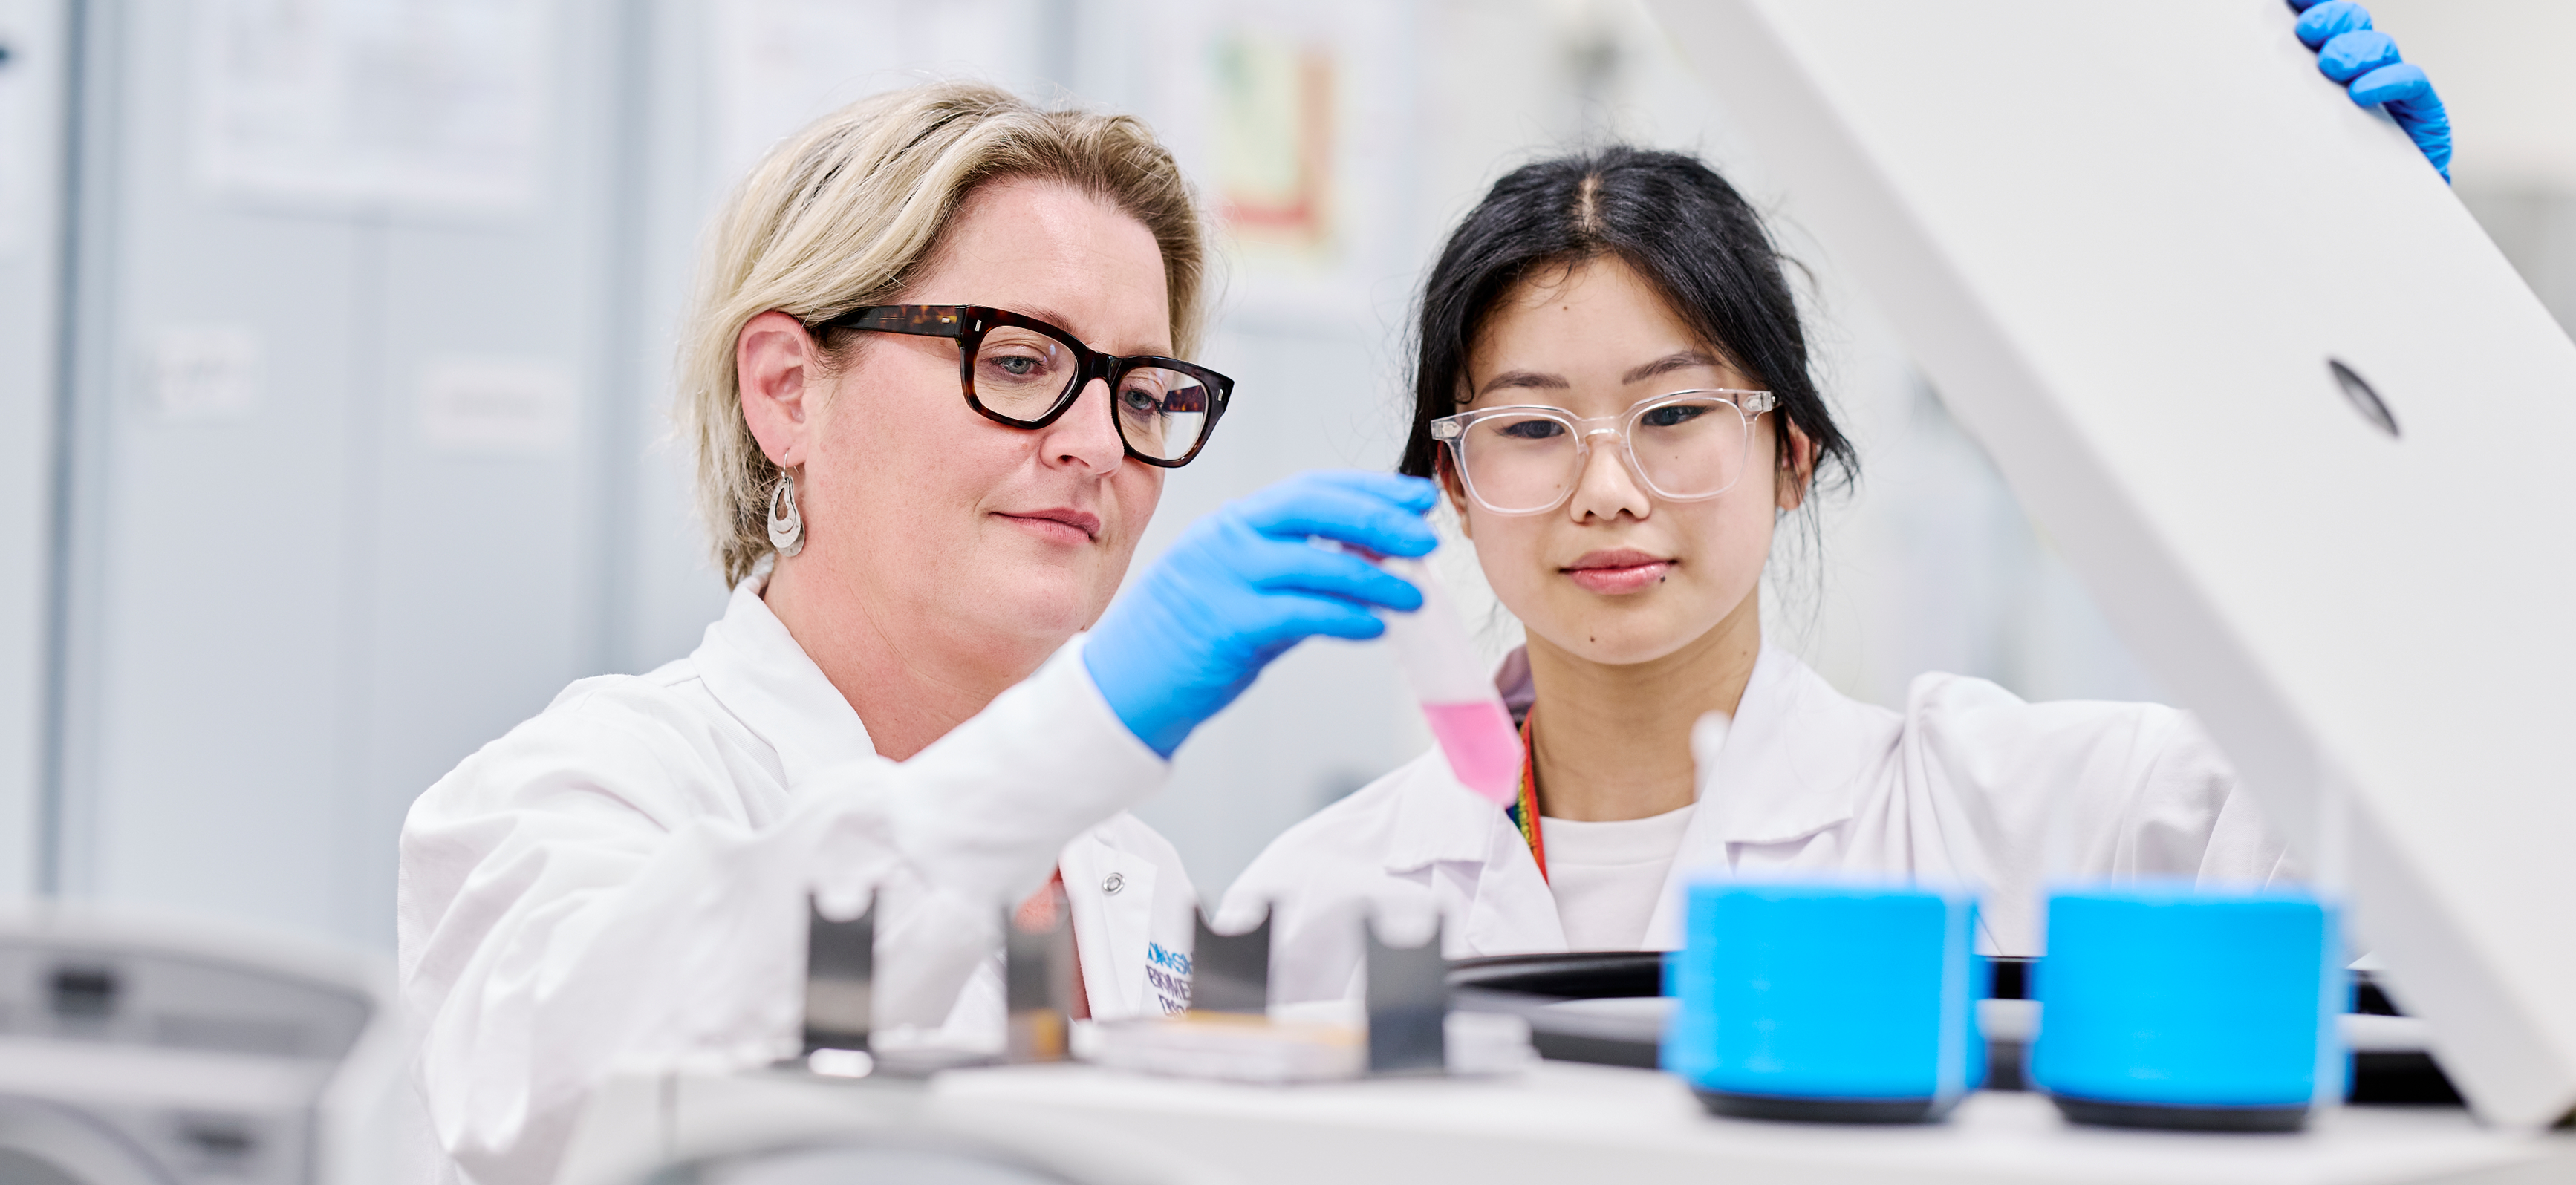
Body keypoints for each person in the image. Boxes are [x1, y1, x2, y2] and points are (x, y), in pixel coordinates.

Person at [1223, 5, 2451, 1003]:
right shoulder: (1319, 899)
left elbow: (2410, 846)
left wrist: (2381, 302)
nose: (1607, 489)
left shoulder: (2013, 807)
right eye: (1533, 429)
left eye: (1675, 415)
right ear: (1453, 481)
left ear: (1793, 454)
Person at [397, 82, 1438, 1185]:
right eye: (1021, 362)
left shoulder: (1130, 877)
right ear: (788, 391)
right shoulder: (583, 790)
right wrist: (1082, 732)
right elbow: (571, 1100)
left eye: (1142, 391)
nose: (1099, 443)